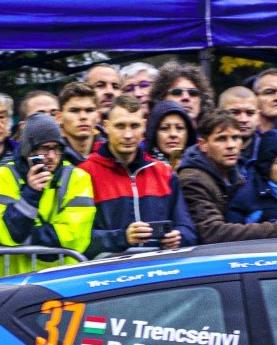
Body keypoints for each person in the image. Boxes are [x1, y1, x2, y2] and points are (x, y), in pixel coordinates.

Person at [82, 95, 197, 256]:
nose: (128, 135)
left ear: (143, 126)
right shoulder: (84, 174)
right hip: (107, 274)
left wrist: (179, 237)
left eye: (134, 126)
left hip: (159, 270)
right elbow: (77, 238)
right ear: (106, 126)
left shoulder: (164, 173)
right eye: (120, 126)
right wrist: (122, 237)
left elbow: (187, 227)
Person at [0, 113, 95, 276]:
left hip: (60, 282)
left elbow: (74, 237)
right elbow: (6, 233)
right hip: (9, 284)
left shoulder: (78, 177)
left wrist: (24, 242)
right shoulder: (2, 176)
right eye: (44, 148)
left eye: (56, 148)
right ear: (28, 150)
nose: (50, 156)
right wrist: (31, 193)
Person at [179, 111, 277, 242]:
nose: (231, 146)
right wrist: (275, 229)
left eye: (236, 138)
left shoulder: (238, 172)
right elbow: (212, 232)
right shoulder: (193, 179)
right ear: (203, 145)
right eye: (221, 139)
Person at [56, 81, 102, 165]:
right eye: (74, 111)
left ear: (98, 116)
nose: (83, 116)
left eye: (89, 110)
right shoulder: (52, 158)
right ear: (59, 117)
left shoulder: (113, 153)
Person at [146, 100, 197, 168]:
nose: (173, 134)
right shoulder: (143, 167)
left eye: (179, 128)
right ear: (153, 133)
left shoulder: (200, 166)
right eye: (164, 128)